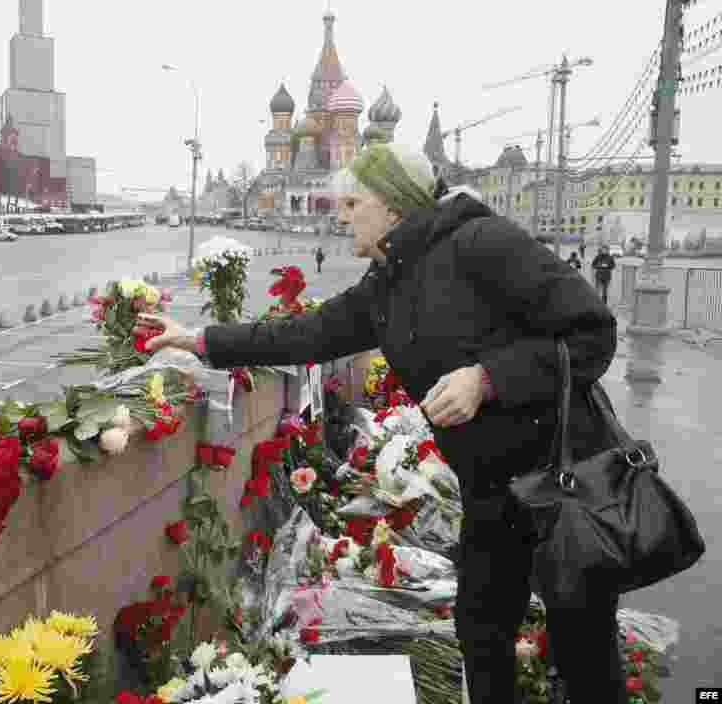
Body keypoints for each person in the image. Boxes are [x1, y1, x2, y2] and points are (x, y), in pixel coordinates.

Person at [137, 142, 624, 704]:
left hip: (563, 477)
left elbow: (593, 333)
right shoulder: (388, 283)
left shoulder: (482, 244)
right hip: (493, 492)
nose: (340, 216)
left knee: (582, 642)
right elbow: (308, 334)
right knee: (482, 632)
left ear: (393, 207)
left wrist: (486, 378)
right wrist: (198, 339)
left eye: (352, 203)